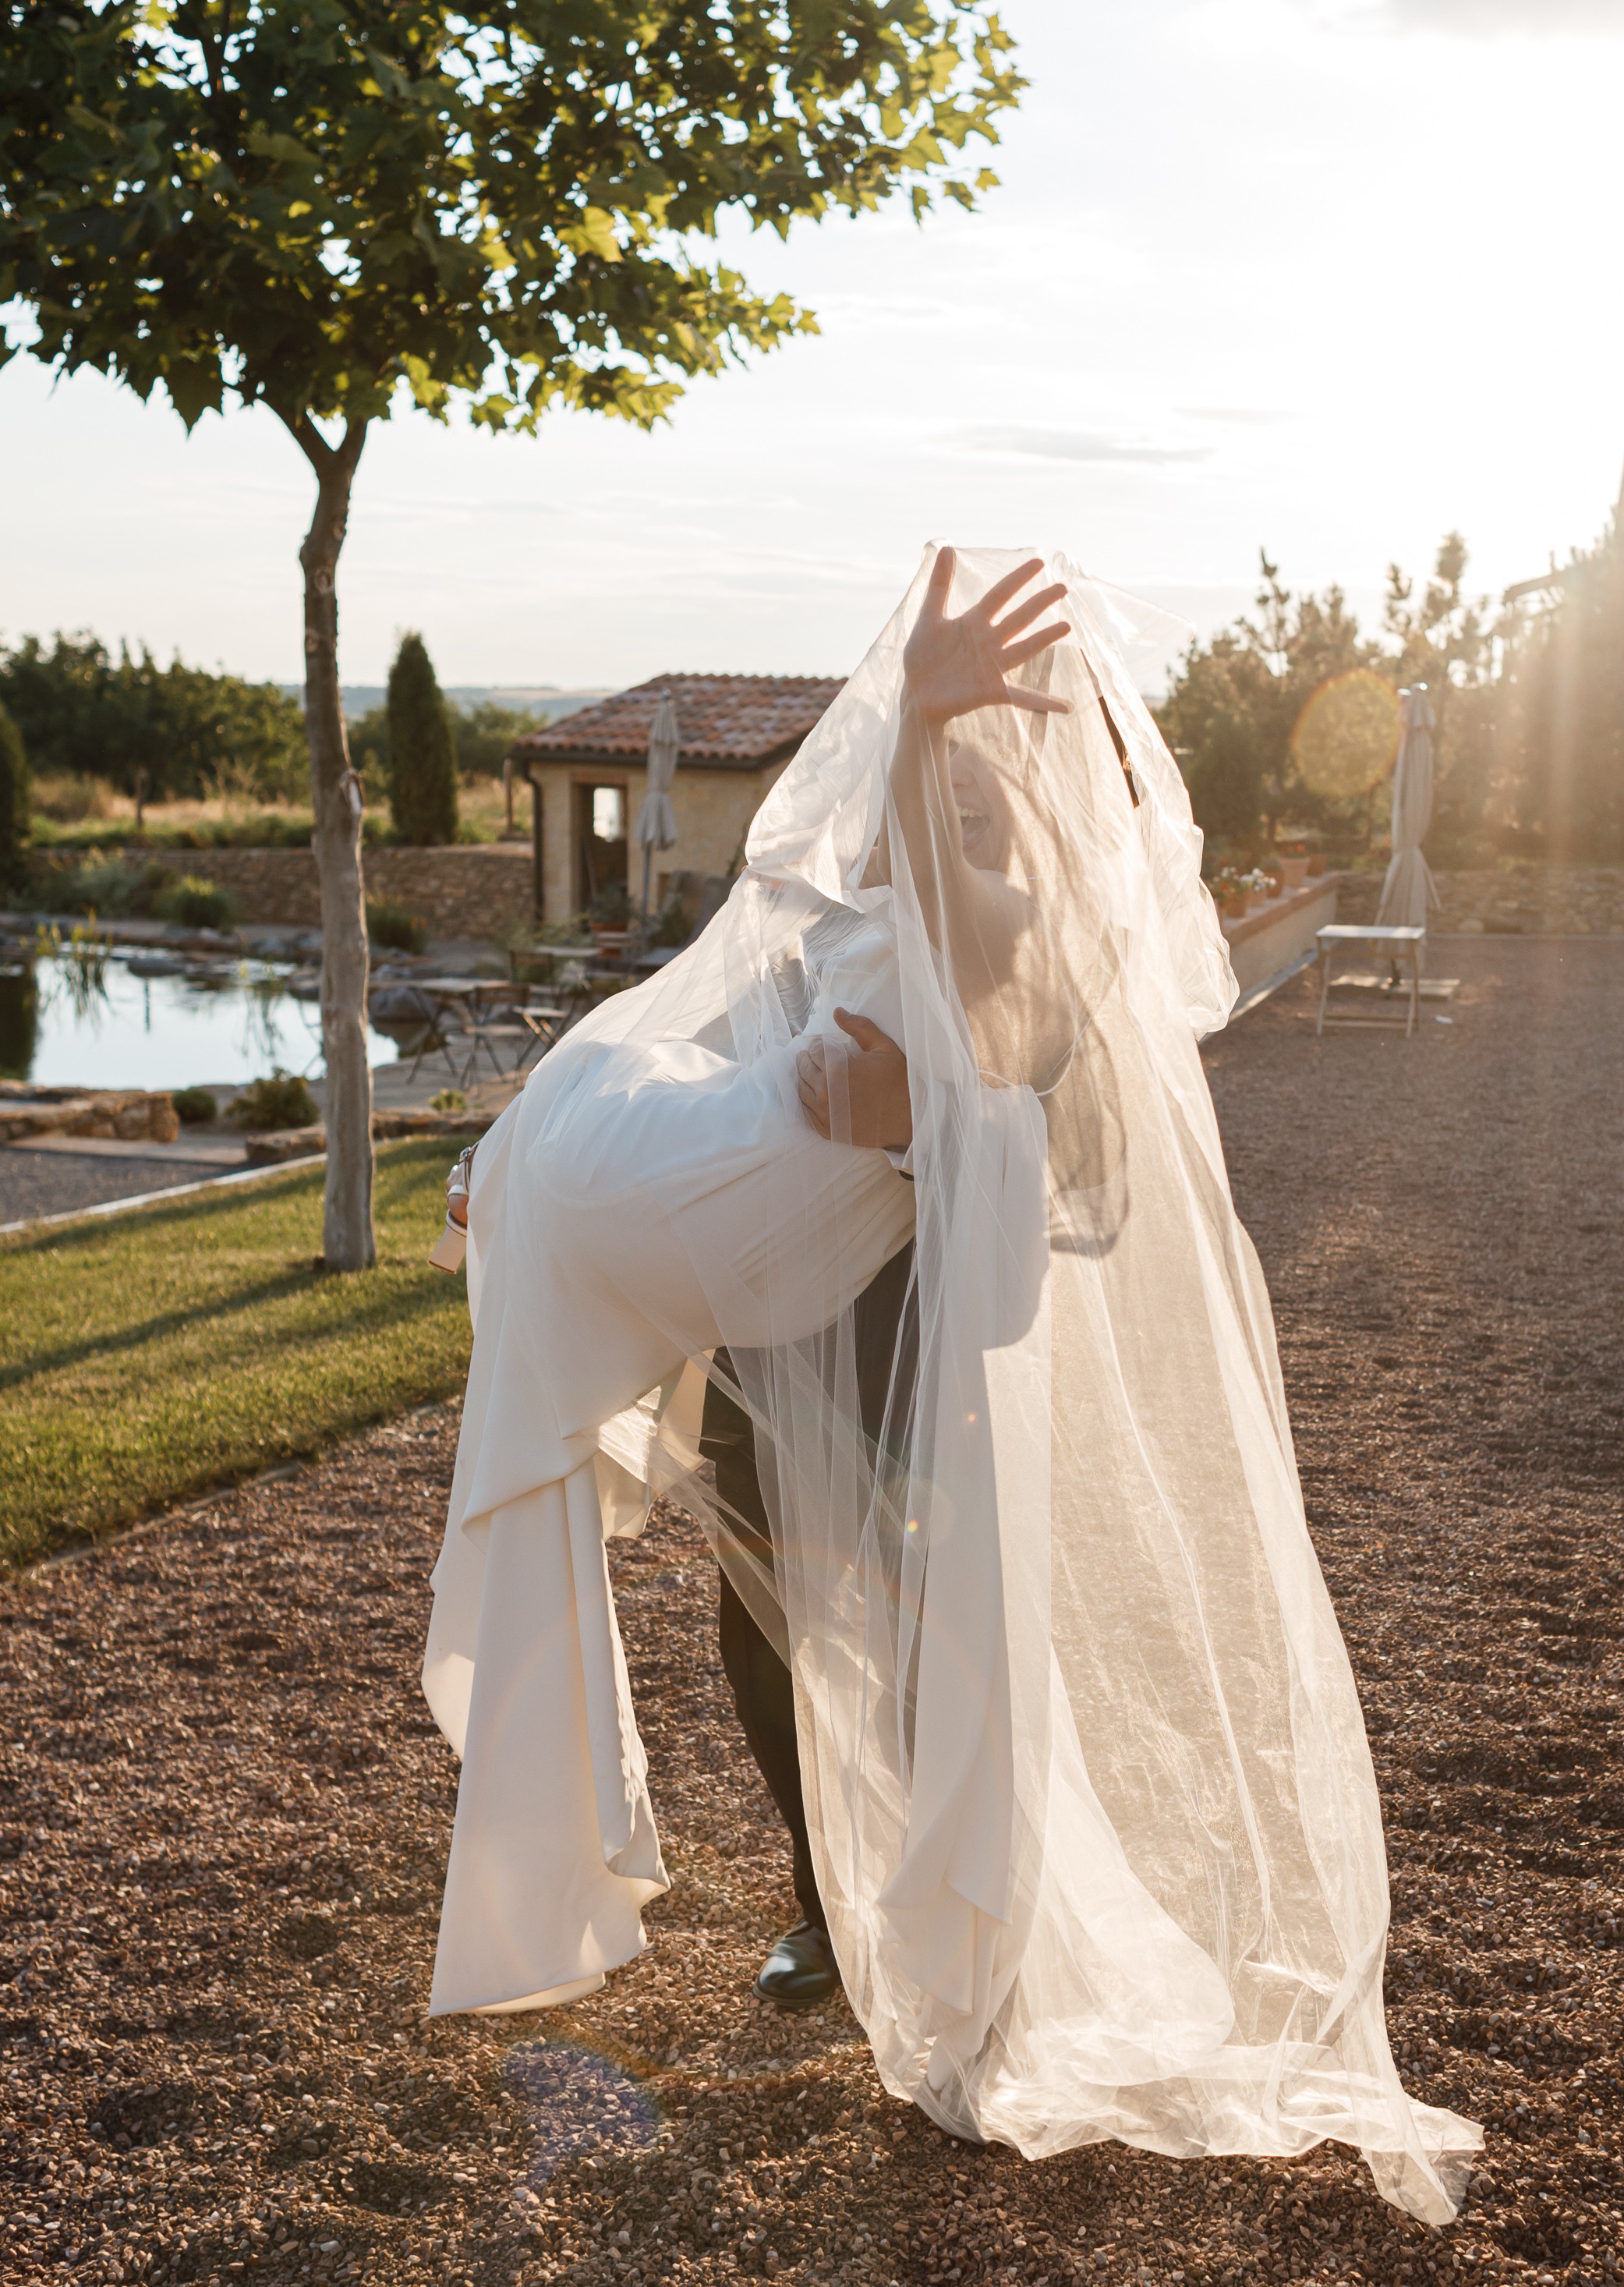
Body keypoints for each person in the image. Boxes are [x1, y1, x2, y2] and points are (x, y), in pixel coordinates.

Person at [422, 547, 1481, 2225]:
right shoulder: (853, 892)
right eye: (952, 783)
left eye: (1000, 789)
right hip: (778, 1300)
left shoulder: (1039, 937)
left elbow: (968, 1092)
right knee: (756, 1599)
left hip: (905, 1308)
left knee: (916, 1622)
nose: (963, 806)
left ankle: (938, 1924)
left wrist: (925, 760)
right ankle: (823, 1901)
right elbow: (722, 1022)